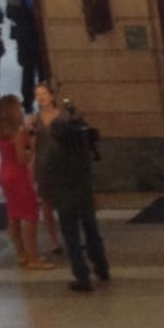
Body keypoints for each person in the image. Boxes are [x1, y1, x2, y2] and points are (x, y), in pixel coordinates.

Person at [41, 96, 110, 292]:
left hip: (65, 200)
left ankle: (82, 277)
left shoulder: (53, 153)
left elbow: (47, 176)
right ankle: (102, 269)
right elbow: (90, 173)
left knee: (72, 239)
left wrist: (48, 197)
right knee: (93, 234)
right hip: (84, 196)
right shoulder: (82, 151)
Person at [0, 94, 53, 269]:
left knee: (13, 216)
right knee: (31, 216)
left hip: (4, 174)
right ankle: (34, 258)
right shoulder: (18, 133)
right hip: (19, 176)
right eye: (19, 106)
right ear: (13, 111)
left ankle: (21, 254)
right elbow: (22, 160)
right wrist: (32, 148)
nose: (21, 108)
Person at [27, 81, 63, 255]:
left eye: (43, 94)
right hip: (43, 164)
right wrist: (31, 172)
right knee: (46, 204)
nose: (40, 97)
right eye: (37, 95)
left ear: (52, 96)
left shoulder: (62, 117)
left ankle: (70, 234)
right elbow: (32, 148)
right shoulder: (35, 119)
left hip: (61, 164)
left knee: (65, 202)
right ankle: (54, 240)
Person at [5, 0, 45, 113]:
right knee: (43, 72)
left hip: (21, 36)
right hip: (36, 36)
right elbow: (37, 14)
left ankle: (27, 102)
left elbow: (8, 14)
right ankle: (44, 102)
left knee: (27, 70)